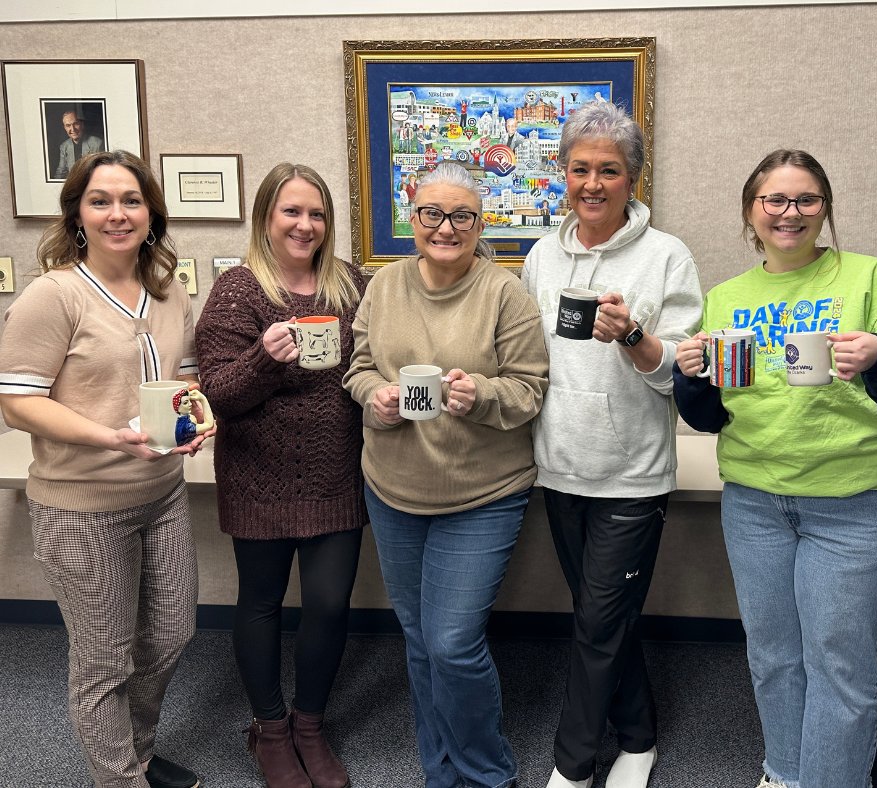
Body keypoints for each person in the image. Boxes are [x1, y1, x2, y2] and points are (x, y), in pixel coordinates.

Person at [673, 149, 877, 788]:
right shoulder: (727, 297)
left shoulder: (872, 281)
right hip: (755, 501)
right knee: (771, 658)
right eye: (775, 200)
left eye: (806, 201)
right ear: (751, 211)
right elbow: (712, 418)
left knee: (838, 663)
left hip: (856, 502)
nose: (790, 214)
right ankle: (784, 773)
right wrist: (692, 379)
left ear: (825, 209)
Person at [0, 150, 208, 788]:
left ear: (152, 213)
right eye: (101, 201)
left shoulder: (170, 293)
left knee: (172, 633)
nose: (118, 214)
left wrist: (200, 417)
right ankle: (116, 779)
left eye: (132, 201)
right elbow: (16, 401)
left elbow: (185, 381)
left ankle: (136, 757)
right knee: (104, 660)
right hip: (80, 507)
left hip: (161, 494)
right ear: (78, 215)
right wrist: (110, 439)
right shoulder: (54, 294)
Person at [344, 161, 549, 788]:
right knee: (419, 638)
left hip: (482, 494)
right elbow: (357, 368)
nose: (445, 227)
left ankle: (487, 773)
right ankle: (440, 770)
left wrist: (480, 395)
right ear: (412, 213)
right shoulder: (382, 286)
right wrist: (375, 398)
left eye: (461, 215)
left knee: (453, 643)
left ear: (479, 223)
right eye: (432, 213)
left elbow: (530, 389)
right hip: (393, 488)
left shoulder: (504, 293)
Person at [522, 101, 702, 788]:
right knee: (605, 619)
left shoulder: (667, 257)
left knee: (598, 625)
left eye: (609, 171)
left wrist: (633, 337)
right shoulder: (541, 256)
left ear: (633, 180)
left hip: (632, 476)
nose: (592, 183)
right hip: (560, 468)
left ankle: (571, 768)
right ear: (562, 175)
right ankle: (639, 736)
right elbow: (530, 357)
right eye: (579, 169)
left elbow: (682, 373)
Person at [195, 162, 366, 788]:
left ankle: (309, 725)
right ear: (266, 217)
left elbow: (378, 358)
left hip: (335, 476)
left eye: (316, 213)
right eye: (291, 211)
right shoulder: (239, 291)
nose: (305, 224)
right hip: (258, 477)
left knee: (327, 604)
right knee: (262, 603)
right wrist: (263, 360)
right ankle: (269, 729)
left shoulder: (351, 286)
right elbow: (216, 392)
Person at [54, 109, 104, 179]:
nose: (73, 129)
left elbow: (101, 172)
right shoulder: (64, 146)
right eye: (68, 125)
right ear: (65, 128)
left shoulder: (97, 143)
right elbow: (61, 171)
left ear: (82, 125)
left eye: (76, 124)